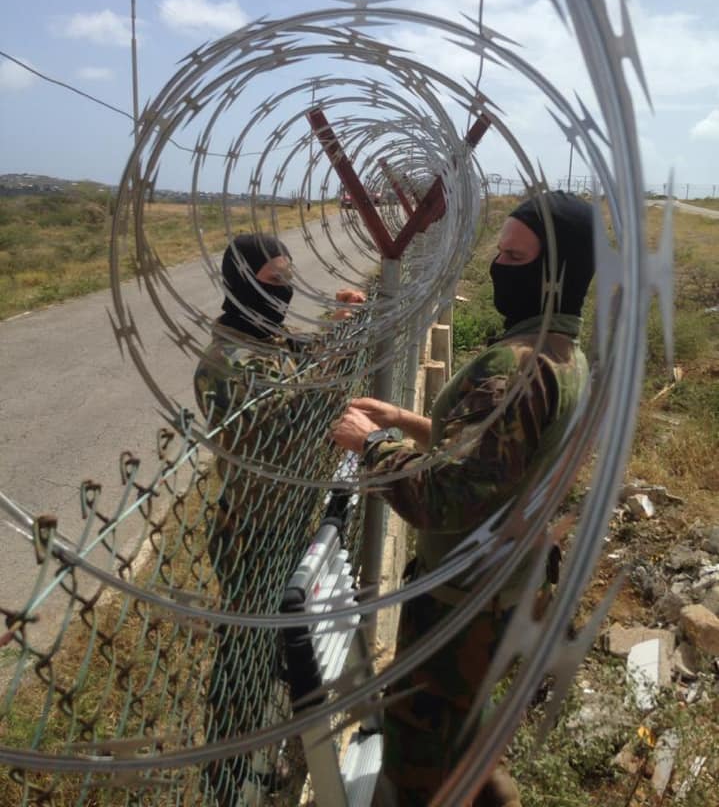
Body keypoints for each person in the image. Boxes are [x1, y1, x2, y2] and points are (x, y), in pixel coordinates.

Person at [330, 191, 595, 807]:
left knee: (421, 764)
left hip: (463, 609)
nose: (499, 265)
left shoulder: (518, 365)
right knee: (467, 739)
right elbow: (498, 457)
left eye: (515, 255)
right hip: (511, 587)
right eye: (499, 251)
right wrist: (406, 419)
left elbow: (443, 499)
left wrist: (371, 446)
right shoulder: (566, 353)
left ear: (554, 275)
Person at [194, 232, 365, 806]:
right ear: (241, 285)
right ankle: (225, 779)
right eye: (273, 282)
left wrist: (340, 326)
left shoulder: (267, 340)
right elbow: (285, 422)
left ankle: (260, 757)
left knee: (270, 656)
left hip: (285, 520)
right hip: (252, 532)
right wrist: (341, 352)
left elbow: (302, 366)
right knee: (242, 661)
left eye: (289, 279)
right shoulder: (225, 361)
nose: (285, 291)